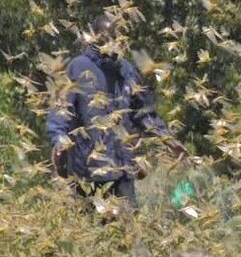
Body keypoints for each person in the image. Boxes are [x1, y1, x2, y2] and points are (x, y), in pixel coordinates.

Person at [46, 11, 187, 212]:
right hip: (87, 172)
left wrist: (166, 138)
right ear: (94, 37)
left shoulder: (126, 70)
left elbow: (144, 113)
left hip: (122, 171)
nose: (110, 43)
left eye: (115, 38)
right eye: (105, 38)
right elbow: (60, 113)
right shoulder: (78, 67)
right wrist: (59, 141)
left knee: (127, 236)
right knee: (91, 235)